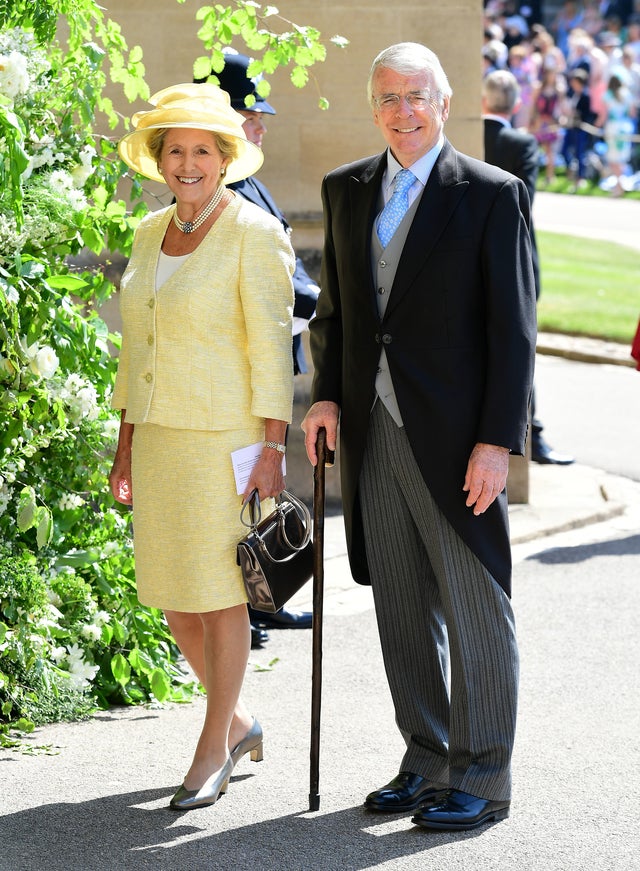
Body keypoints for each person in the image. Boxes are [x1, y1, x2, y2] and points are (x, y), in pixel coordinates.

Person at [302, 42, 537, 832]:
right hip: (372, 431)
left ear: (443, 103)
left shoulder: (490, 194)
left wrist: (496, 442)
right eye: (389, 97)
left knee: (475, 605)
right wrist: (327, 397)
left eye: (418, 96)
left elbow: (513, 333)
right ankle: (426, 756)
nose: (404, 110)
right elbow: (333, 314)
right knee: (401, 606)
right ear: (374, 107)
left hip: (456, 437)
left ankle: (483, 773)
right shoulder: (345, 190)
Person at [109, 83, 295, 810]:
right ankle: (243, 721)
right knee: (172, 597)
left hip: (229, 439)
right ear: (160, 161)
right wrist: (125, 442)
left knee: (222, 595)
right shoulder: (148, 233)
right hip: (158, 438)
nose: (188, 163)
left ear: (224, 159)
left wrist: (272, 449)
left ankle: (214, 744)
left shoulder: (253, 232)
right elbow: (136, 350)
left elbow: (273, 353)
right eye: (175, 149)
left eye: (202, 150)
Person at [211, 50, 318, 637]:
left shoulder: (248, 180)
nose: (261, 125)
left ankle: (258, 599)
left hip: (273, 357)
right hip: (244, 372)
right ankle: (242, 607)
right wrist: (325, 308)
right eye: (250, 116)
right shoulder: (224, 189)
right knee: (238, 494)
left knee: (256, 490)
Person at [483, 69, 575, 465]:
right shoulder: (521, 142)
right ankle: (531, 436)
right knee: (517, 349)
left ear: (482, 102)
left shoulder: (463, 136)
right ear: (517, 104)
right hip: (514, 258)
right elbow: (524, 207)